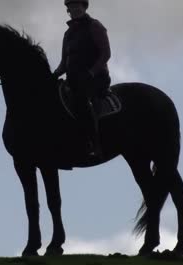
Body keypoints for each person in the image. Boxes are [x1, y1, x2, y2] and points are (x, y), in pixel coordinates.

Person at [53, 0, 111, 158]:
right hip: (74, 79)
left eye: (78, 6)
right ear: (68, 10)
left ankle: (94, 144)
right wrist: (53, 75)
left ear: (84, 7)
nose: (75, 9)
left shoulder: (95, 26)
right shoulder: (68, 34)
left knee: (80, 99)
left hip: (96, 78)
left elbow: (106, 54)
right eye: (72, 6)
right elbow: (64, 64)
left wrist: (91, 72)